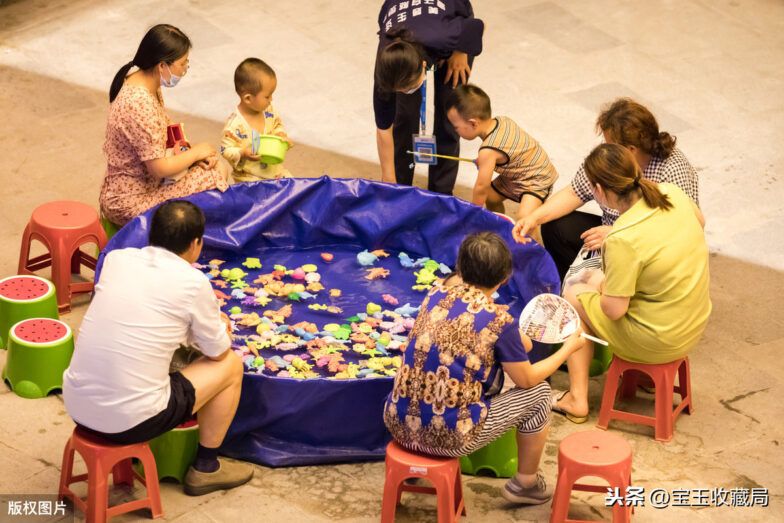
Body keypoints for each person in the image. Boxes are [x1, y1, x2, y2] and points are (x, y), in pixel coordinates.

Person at [63, 201, 254, 496]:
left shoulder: (118, 259)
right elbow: (217, 351)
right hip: (134, 420)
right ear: (196, 244)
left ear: (152, 234)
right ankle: (206, 468)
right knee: (230, 366)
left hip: (75, 403)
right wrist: (219, 323)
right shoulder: (193, 282)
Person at [384, 232, 587, 504]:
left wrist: (507, 330)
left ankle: (411, 471)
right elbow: (526, 379)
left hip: (396, 423)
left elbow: (520, 344)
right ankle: (525, 484)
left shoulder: (435, 294)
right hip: (451, 437)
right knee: (539, 393)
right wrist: (567, 349)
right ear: (505, 277)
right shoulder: (499, 321)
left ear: (460, 268)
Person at [552, 144, 710, 421]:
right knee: (599, 281)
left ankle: (577, 398)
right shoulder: (671, 194)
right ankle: (641, 377)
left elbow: (614, 310)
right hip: (694, 319)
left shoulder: (622, 238)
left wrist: (596, 285)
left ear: (599, 191)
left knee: (574, 294)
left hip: (659, 337)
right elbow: (699, 221)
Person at [512, 98, 699, 280]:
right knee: (556, 227)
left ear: (630, 150)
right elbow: (574, 192)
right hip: (614, 232)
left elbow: (681, 231)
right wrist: (533, 218)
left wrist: (617, 235)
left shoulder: (673, 171)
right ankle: (568, 284)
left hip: (646, 247)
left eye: (609, 142)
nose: (604, 146)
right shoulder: (609, 159)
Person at [100, 24, 229, 226]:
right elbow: (159, 168)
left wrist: (191, 156)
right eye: (183, 64)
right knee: (215, 176)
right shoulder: (139, 104)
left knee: (213, 167)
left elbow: (164, 135)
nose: (185, 70)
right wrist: (196, 153)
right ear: (162, 65)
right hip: (130, 201)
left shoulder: (143, 81)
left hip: (142, 185)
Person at [374, 0, 484, 195]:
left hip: (452, 29)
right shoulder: (386, 68)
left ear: (424, 65)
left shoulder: (444, 35)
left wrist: (461, 50)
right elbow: (384, 129)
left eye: (411, 86)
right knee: (404, 116)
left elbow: (476, 27)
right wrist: (388, 178)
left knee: (450, 114)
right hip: (410, 19)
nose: (406, 91)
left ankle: (441, 192)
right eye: (401, 89)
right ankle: (401, 187)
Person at [445, 84, 558, 229]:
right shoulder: (501, 120)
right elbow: (510, 149)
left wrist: (473, 214)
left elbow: (481, 187)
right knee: (491, 198)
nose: (455, 131)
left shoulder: (488, 150)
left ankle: (534, 250)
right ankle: (499, 227)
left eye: (456, 127)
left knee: (525, 220)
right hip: (517, 174)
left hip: (537, 178)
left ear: (473, 123)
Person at [220, 58, 293, 182]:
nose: (271, 99)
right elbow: (225, 150)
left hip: (274, 172)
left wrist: (281, 135)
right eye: (267, 96)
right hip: (248, 178)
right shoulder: (234, 125)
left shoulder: (268, 110)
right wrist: (243, 153)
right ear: (248, 98)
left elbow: (277, 125)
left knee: (293, 187)